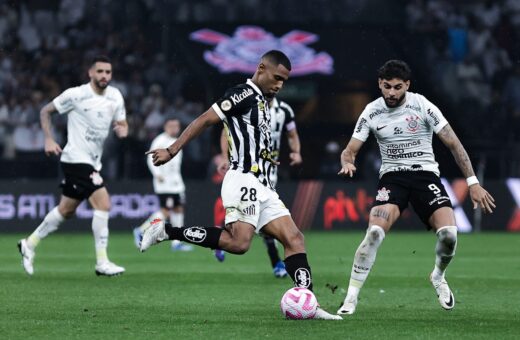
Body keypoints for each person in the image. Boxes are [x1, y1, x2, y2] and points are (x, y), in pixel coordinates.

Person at [141, 50, 341, 320]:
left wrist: (266, 157)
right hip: (242, 179)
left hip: (263, 183)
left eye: (284, 81)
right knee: (239, 243)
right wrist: (172, 149)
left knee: (294, 239)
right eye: (277, 78)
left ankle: (309, 302)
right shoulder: (241, 94)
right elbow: (205, 120)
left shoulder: (263, 101)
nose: (280, 85)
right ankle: (166, 231)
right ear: (261, 68)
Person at [336, 60, 496, 315]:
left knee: (449, 235)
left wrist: (473, 182)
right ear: (380, 83)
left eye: (397, 87)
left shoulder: (422, 105)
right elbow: (350, 150)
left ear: (407, 85)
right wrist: (348, 162)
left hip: (425, 177)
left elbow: (454, 144)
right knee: (374, 233)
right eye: (386, 86)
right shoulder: (371, 112)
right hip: (392, 179)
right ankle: (351, 297)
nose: (391, 93)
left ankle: (438, 276)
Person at [17, 55, 128, 277]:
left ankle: (29, 243)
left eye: (108, 72)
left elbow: (123, 122)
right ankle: (102, 261)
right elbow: (45, 111)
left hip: (93, 160)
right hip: (76, 158)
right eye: (100, 71)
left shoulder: (115, 96)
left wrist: (123, 130)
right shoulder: (76, 95)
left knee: (66, 210)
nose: (104, 76)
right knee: (103, 204)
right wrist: (48, 139)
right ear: (90, 73)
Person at [217, 97, 302, 278]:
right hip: (246, 169)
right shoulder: (247, 106)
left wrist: (296, 152)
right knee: (262, 220)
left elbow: (292, 134)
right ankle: (276, 262)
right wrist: (224, 157)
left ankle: (219, 235)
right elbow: (226, 132)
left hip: (270, 171)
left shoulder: (284, 111)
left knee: (262, 219)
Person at [133, 116, 193, 252]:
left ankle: (177, 242)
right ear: (166, 127)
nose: (174, 129)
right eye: (171, 126)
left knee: (178, 209)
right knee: (165, 212)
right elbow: (150, 159)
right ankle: (141, 230)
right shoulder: (160, 140)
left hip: (177, 183)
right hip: (164, 183)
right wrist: (157, 174)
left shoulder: (178, 140)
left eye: (176, 126)